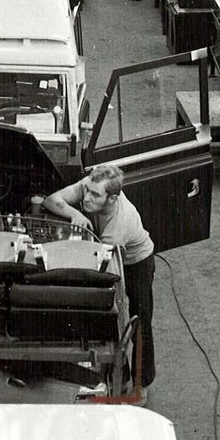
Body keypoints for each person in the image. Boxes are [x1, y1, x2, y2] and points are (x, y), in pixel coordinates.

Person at [43, 163, 156, 392]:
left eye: (95, 195)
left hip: (138, 263)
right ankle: (120, 379)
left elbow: (96, 267)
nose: (87, 199)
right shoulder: (89, 185)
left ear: (112, 198)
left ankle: (141, 386)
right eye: (87, 191)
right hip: (107, 251)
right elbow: (50, 199)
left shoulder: (120, 224)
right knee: (112, 321)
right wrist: (75, 213)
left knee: (139, 323)